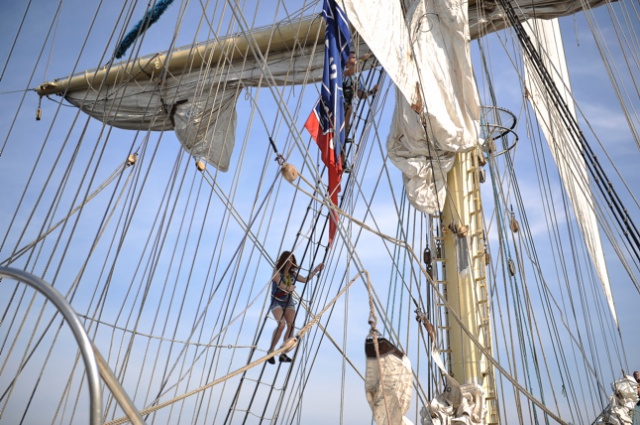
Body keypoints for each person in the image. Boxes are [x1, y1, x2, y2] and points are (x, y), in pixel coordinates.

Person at [267, 251, 324, 364]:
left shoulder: (293, 274)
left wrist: (316, 270)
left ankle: (283, 353)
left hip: (288, 302)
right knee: (281, 324)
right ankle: (271, 351)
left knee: (291, 325)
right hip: (277, 301)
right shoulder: (277, 271)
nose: (289, 261)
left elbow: (305, 279)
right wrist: (288, 288)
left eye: (291, 259)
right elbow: (279, 284)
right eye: (287, 259)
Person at [341, 51, 378, 173]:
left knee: (344, 136)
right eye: (352, 57)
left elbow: (361, 94)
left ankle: (342, 163)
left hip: (347, 109)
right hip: (339, 107)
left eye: (355, 57)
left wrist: (372, 91)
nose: (354, 59)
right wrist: (361, 59)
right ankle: (340, 162)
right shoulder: (341, 73)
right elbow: (351, 71)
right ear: (346, 61)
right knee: (340, 135)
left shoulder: (355, 79)